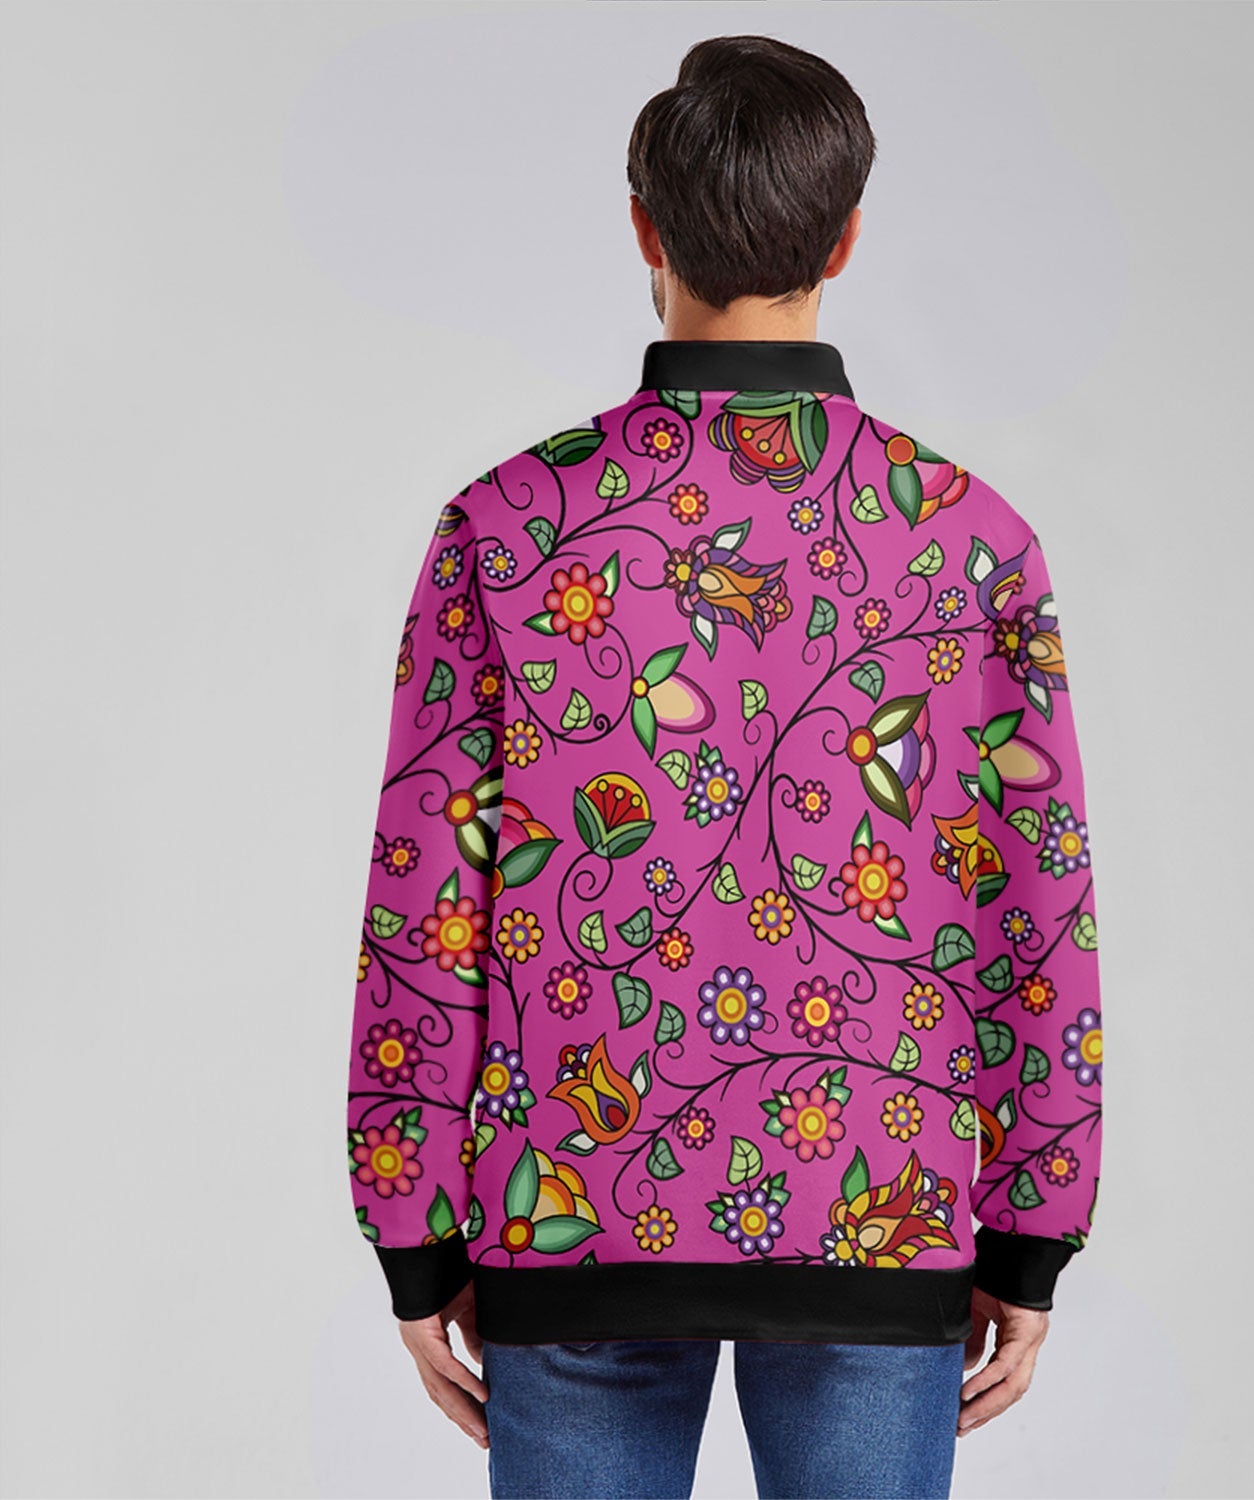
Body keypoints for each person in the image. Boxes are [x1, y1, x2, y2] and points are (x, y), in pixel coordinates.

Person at [344, 33, 1104, 1500]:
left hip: (573, 1199)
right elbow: (1036, 899)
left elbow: (426, 893)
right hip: (881, 1195)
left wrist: (413, 1228)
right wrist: (1033, 1226)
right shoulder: (971, 538)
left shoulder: (511, 529)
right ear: (847, 238)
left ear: (645, 228)